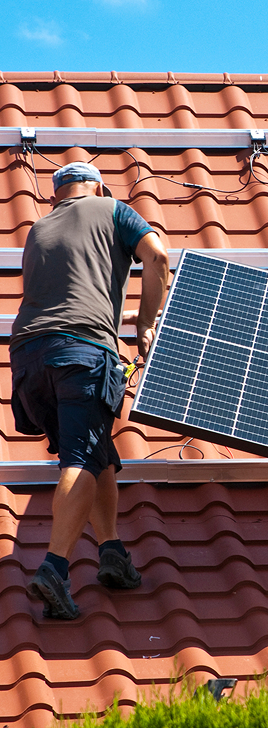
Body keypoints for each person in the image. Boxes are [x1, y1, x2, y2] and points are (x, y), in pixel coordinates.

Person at [10, 161, 169, 619]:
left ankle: (112, 552)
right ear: (98, 188)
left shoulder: (38, 229)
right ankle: (55, 569)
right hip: (81, 353)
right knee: (80, 459)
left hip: (28, 361)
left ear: (55, 196)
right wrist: (145, 322)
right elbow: (158, 257)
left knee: (97, 451)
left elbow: (62, 297)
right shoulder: (112, 209)